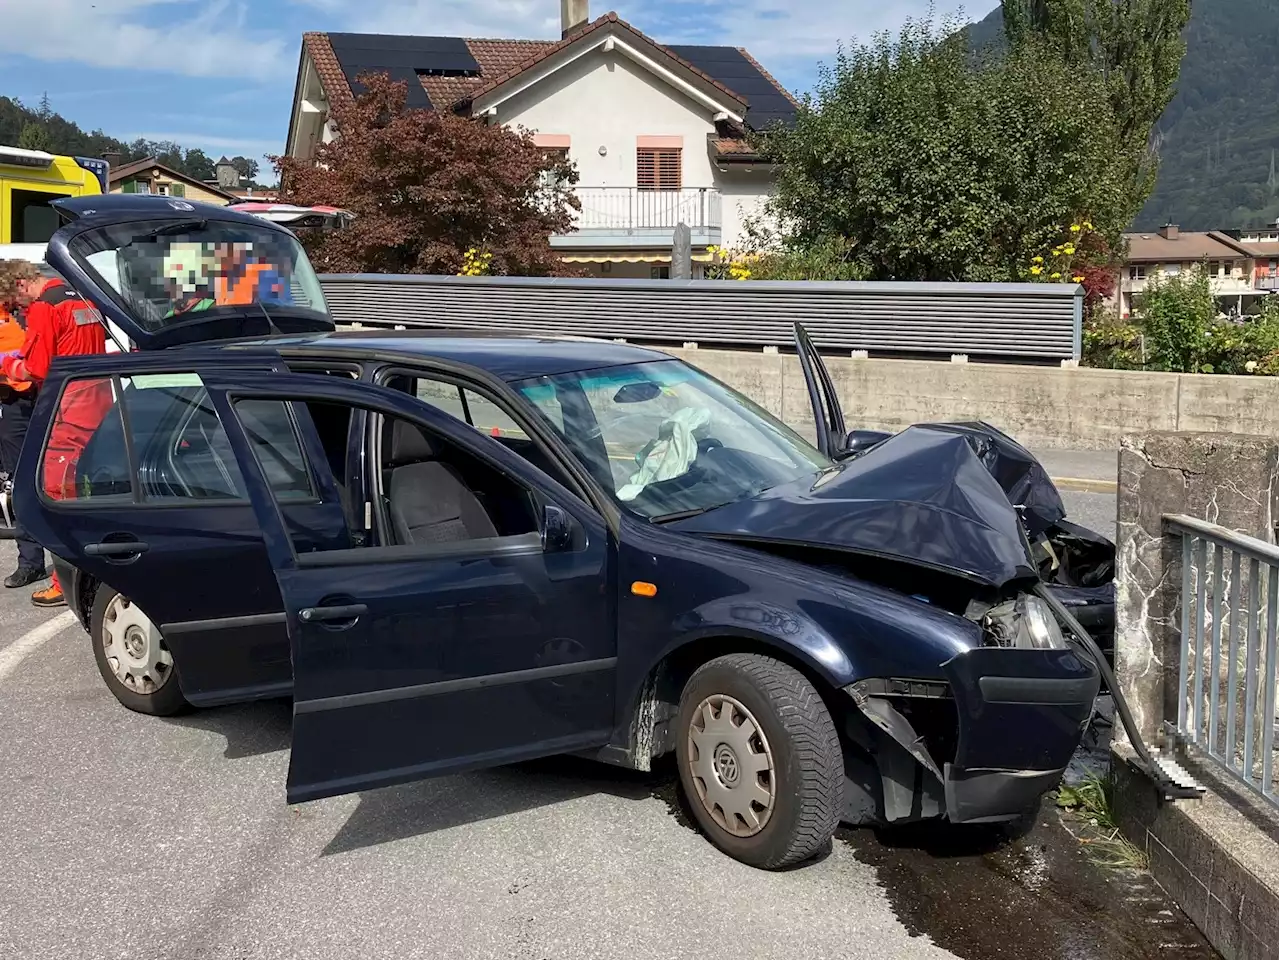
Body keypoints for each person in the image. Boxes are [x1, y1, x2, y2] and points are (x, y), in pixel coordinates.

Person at [1, 267, 109, 607]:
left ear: (20, 284)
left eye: (15, 298)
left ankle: (64, 582)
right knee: (93, 492)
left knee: (59, 494)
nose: (18, 306)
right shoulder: (82, 296)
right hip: (98, 400)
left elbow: (38, 367)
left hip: (68, 407)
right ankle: (102, 568)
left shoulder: (45, 306)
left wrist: (8, 366)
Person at [0, 260, 46, 589]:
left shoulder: (30, 308)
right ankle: (30, 561)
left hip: (42, 396)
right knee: (20, 481)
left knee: (47, 478)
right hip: (12, 402)